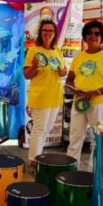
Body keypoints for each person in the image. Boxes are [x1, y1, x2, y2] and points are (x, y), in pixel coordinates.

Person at [65, 19, 103, 169]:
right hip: (79, 103)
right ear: (84, 36)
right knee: (75, 138)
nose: (92, 36)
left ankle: (95, 173)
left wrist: (96, 92)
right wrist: (76, 91)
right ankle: (70, 171)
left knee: (98, 140)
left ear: (102, 38)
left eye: (96, 33)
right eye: (89, 33)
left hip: (100, 104)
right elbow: (69, 80)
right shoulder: (79, 56)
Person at [23, 18, 67, 164]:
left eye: (50, 30)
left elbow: (63, 70)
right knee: (39, 130)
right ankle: (33, 161)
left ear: (55, 33)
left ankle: (38, 158)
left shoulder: (57, 51)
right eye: (45, 30)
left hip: (55, 96)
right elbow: (26, 75)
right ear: (40, 33)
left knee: (47, 130)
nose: (47, 33)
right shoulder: (33, 51)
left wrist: (63, 71)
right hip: (40, 96)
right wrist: (34, 66)